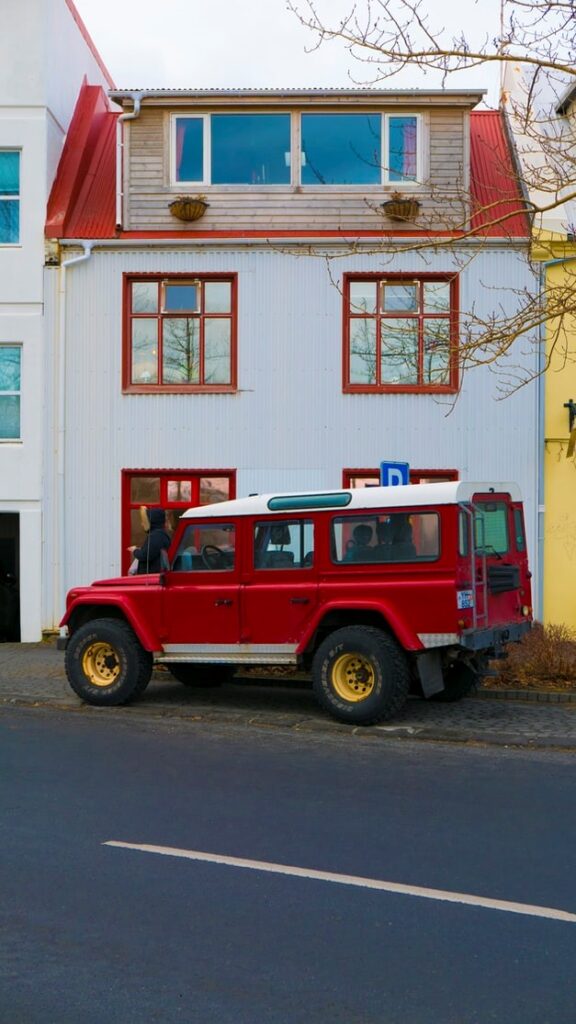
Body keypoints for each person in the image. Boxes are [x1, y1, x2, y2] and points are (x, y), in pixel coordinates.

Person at [128, 508, 171, 574]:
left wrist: (134, 550)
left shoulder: (156, 536)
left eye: (145, 521)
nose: (142, 524)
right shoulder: (160, 535)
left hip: (151, 578)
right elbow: (150, 552)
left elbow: (145, 555)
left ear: (152, 521)